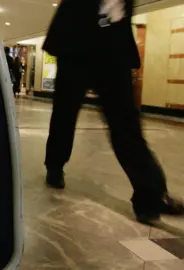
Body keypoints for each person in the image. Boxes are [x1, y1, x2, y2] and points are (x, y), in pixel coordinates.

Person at [42, 0, 184, 224]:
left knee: (126, 123)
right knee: (65, 114)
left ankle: (150, 197)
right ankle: (55, 164)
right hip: (75, 41)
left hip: (113, 45)